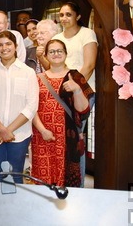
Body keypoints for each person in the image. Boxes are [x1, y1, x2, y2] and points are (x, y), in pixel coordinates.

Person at [32, 40, 94, 187]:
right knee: (43, 174)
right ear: (46, 55)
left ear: (66, 54)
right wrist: (42, 130)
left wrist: (77, 90)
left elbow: (84, 110)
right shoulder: (37, 78)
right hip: (42, 135)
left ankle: (66, 206)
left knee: (64, 176)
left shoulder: (75, 76)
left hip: (66, 136)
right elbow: (31, 108)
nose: (56, 54)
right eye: (52, 51)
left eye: (60, 51)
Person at [0, 31, 38, 183]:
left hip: (20, 134)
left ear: (16, 46)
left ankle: (15, 207)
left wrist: (8, 130)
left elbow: (31, 106)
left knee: (16, 176)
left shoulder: (28, 72)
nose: (4, 48)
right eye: (0, 45)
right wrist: (2, 129)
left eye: (8, 44)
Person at [52, 1, 98, 186]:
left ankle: (76, 185)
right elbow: (53, 64)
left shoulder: (87, 34)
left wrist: (75, 87)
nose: (64, 18)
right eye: (61, 15)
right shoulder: (57, 37)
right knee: (61, 136)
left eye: (68, 14)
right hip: (61, 93)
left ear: (78, 16)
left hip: (82, 92)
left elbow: (89, 65)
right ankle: (60, 179)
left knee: (76, 138)